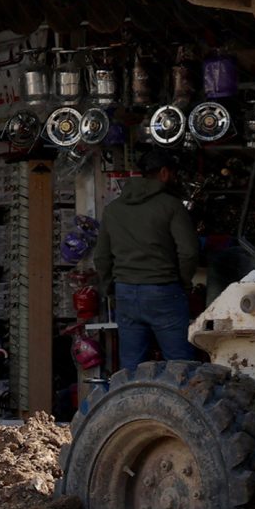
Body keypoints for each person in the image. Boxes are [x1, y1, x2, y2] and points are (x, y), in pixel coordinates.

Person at [95, 158, 203, 371]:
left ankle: (132, 394)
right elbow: (189, 251)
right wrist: (183, 283)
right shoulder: (171, 205)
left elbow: (101, 257)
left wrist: (110, 289)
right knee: (180, 366)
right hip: (163, 290)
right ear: (164, 172)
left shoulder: (113, 209)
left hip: (125, 291)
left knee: (131, 367)